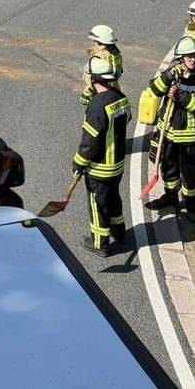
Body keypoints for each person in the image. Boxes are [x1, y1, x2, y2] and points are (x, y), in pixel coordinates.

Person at [145, 36, 195, 220]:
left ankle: (192, 207)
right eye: (189, 56)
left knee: (189, 175)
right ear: (180, 58)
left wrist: (180, 95)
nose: (193, 59)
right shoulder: (173, 75)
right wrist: (167, 76)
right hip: (169, 134)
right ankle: (171, 196)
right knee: (169, 169)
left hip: (189, 137)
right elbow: (155, 90)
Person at [72, 56, 132, 257]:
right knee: (113, 200)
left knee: (98, 204)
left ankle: (100, 243)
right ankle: (120, 234)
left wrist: (79, 162)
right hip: (117, 165)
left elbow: (90, 140)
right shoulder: (120, 97)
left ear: (93, 78)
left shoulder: (98, 106)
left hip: (99, 167)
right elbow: (127, 119)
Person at [81, 24, 123, 105]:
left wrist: (86, 93)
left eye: (95, 41)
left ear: (101, 42)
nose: (93, 43)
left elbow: (92, 78)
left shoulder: (98, 59)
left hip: (99, 94)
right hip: (114, 91)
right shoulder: (115, 55)